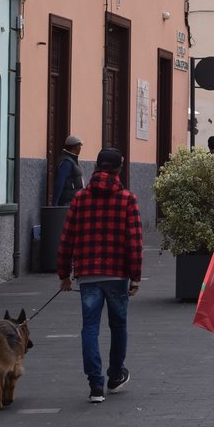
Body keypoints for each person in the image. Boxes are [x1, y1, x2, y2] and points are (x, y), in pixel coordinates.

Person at [56, 148, 142, 404]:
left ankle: (95, 386)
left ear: (96, 166)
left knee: (89, 328)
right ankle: (115, 374)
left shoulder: (80, 199)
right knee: (118, 325)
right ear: (119, 168)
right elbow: (134, 242)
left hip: (88, 274)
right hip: (117, 274)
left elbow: (66, 239)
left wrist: (64, 274)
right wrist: (135, 276)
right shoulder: (128, 199)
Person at [53, 135, 85, 205]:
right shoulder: (66, 162)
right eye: (79, 146)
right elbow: (59, 183)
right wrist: (55, 203)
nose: (80, 148)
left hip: (74, 200)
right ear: (75, 147)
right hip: (68, 202)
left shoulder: (73, 161)